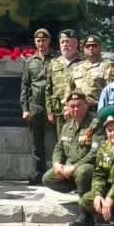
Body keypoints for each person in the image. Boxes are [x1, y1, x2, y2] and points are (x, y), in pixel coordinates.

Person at [52, 92, 100, 207]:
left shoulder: (95, 124)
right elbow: (59, 148)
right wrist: (57, 164)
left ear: (86, 105)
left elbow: (95, 152)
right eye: (72, 106)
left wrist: (74, 167)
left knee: (82, 172)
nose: (76, 109)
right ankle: (79, 188)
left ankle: (85, 210)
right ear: (68, 108)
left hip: (90, 166)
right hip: (70, 166)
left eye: (79, 105)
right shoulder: (67, 126)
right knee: (48, 178)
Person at [20, 28, 56, 185]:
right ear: (35, 42)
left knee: (54, 142)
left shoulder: (56, 60)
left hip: (53, 108)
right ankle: (38, 173)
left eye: (44, 40)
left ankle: (54, 174)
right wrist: (25, 109)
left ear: (49, 41)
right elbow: (25, 86)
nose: (41, 43)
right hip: (35, 107)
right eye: (38, 40)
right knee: (37, 144)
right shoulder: (30, 61)